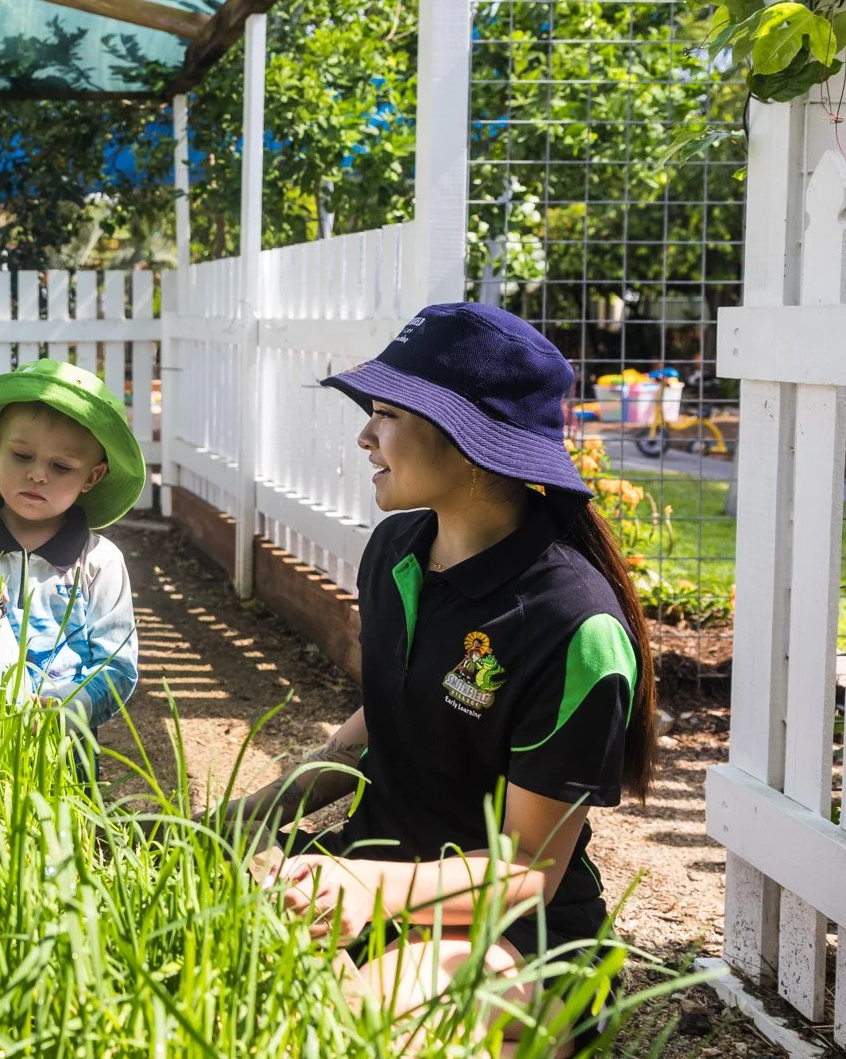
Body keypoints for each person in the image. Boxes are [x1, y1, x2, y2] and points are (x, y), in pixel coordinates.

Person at [215, 302, 657, 1046]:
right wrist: (244, 818)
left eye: (387, 414)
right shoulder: (394, 549)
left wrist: (370, 888)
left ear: (473, 443)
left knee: (350, 1021)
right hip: (368, 881)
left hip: (516, 938)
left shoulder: (574, 627)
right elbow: (379, 723)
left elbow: (529, 871)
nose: (364, 435)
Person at [0, 359, 144, 734]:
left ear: (93, 476)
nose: (38, 474)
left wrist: (68, 708)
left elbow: (117, 665)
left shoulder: (99, 562)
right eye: (22, 456)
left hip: (63, 747)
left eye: (61, 466)